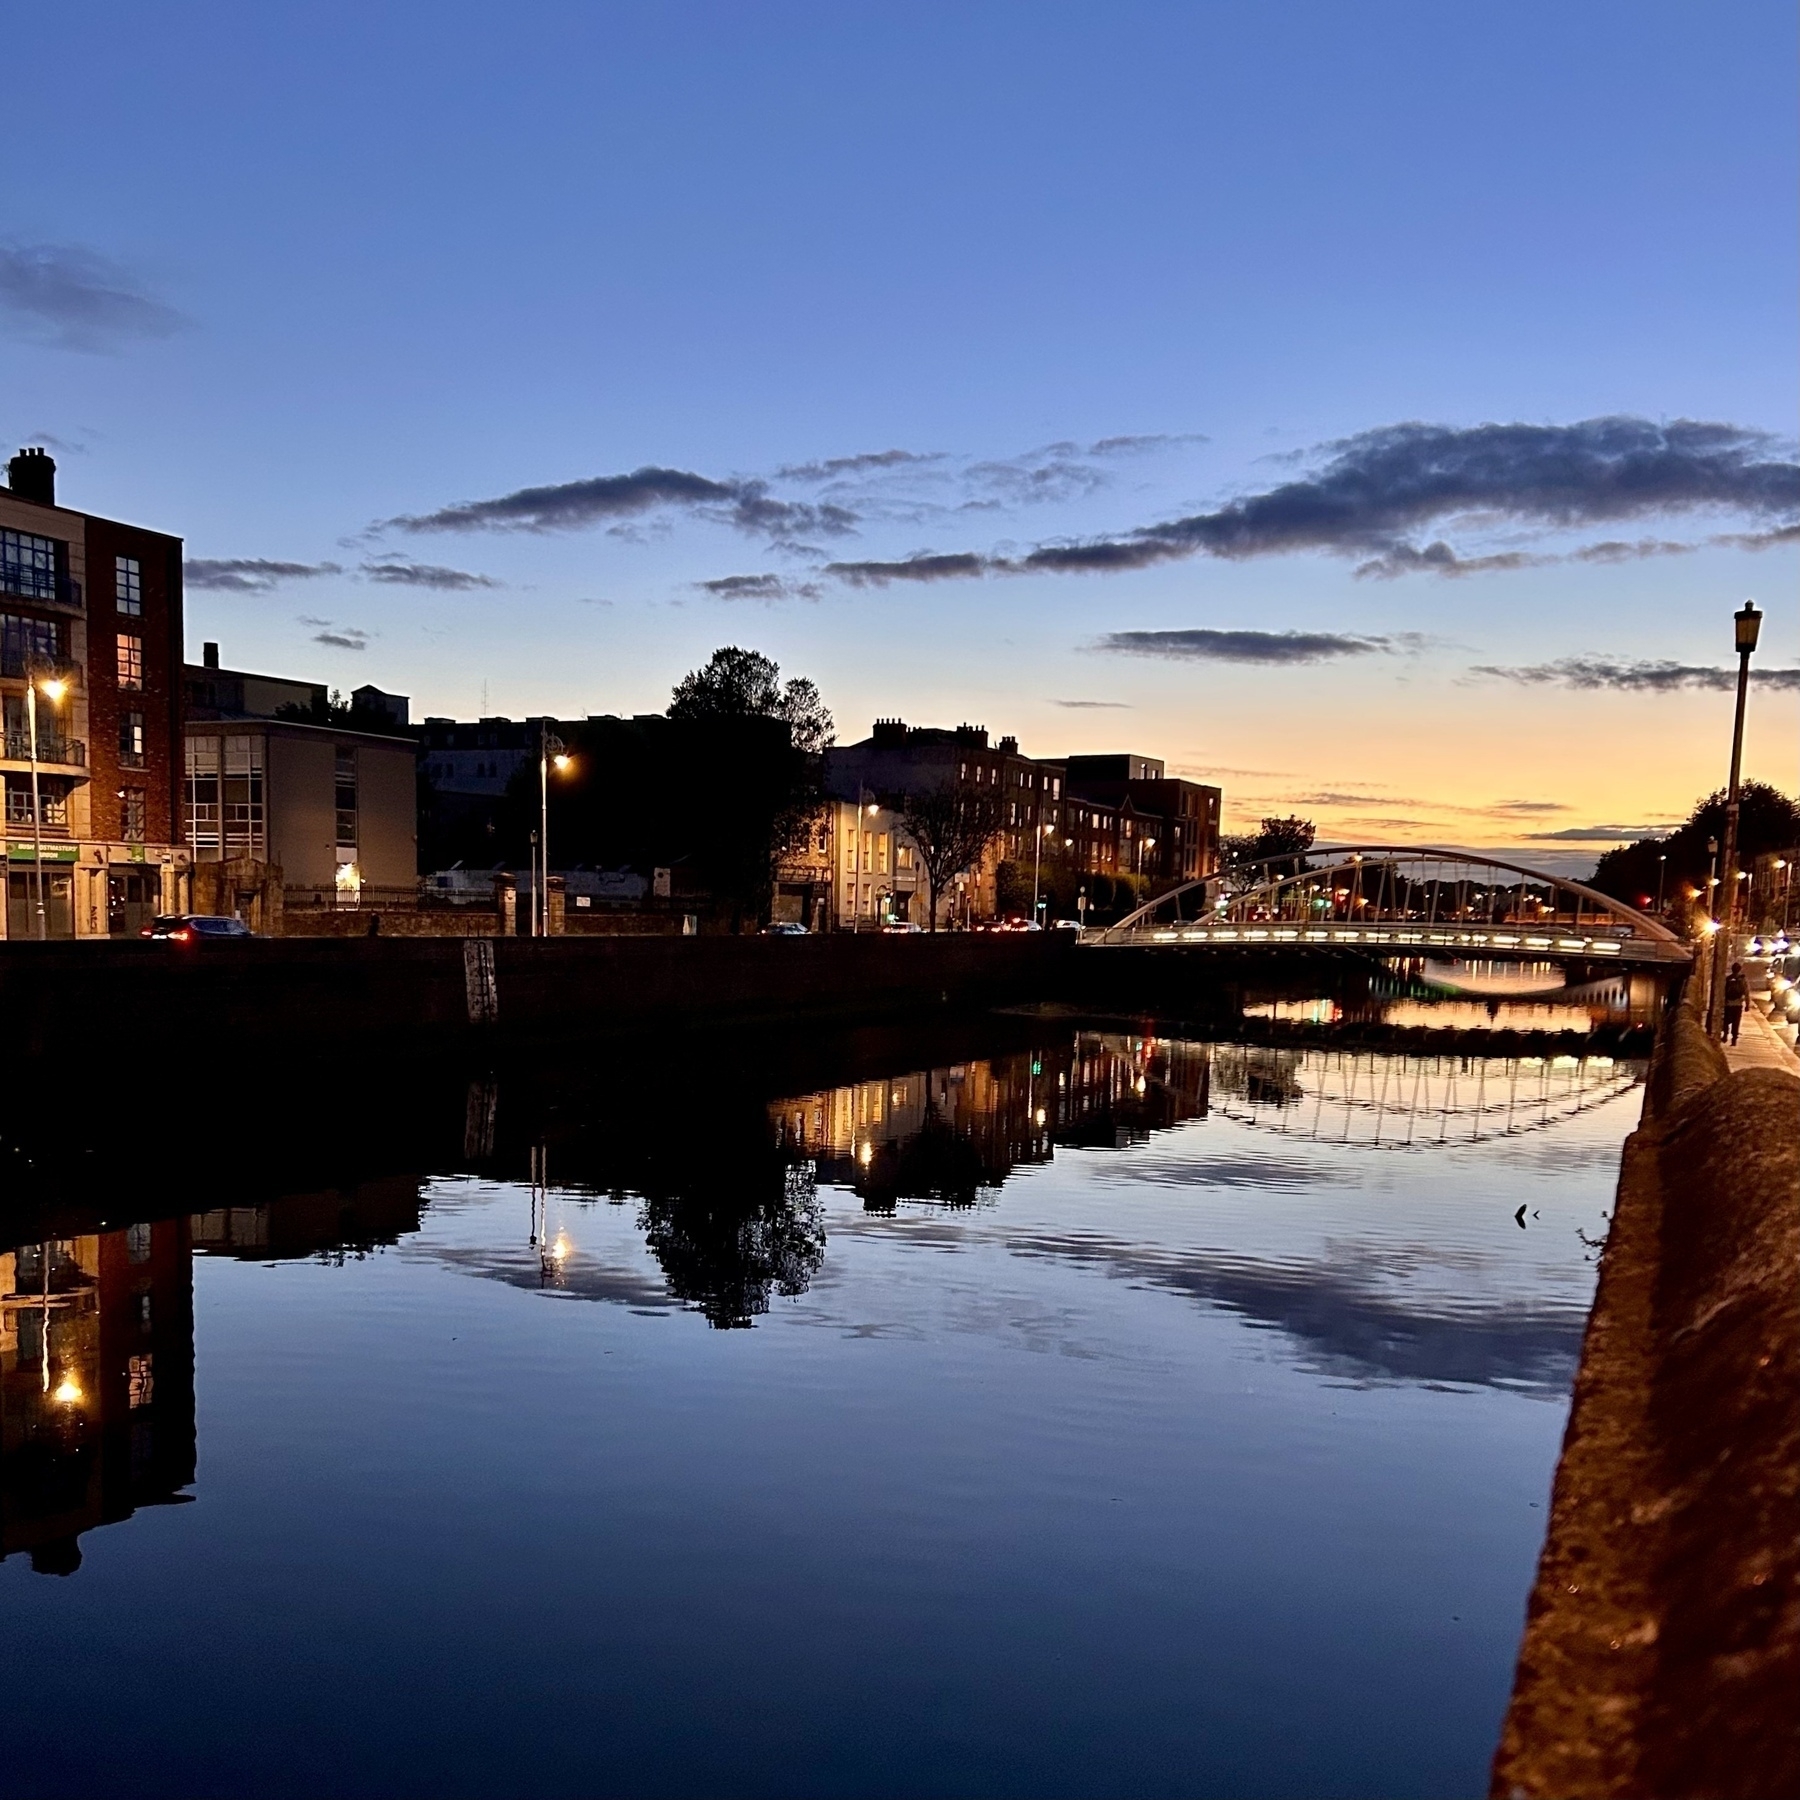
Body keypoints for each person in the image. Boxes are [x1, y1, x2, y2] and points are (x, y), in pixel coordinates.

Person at [1722, 961, 1749, 1046]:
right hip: (1738, 1005)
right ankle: (1734, 1040)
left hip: (1728, 1004)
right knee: (1736, 1022)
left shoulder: (1728, 979)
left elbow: (1723, 992)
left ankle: (1725, 1035)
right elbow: (1746, 993)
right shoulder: (1742, 980)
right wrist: (1747, 1005)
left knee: (1726, 1021)